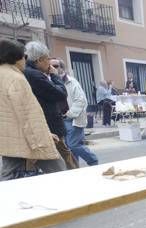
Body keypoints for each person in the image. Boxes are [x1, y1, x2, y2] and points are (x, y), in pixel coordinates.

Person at [0, 39, 65, 180]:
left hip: (8, 139)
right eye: (25, 56)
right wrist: (45, 136)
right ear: (16, 57)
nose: (26, 60)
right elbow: (28, 114)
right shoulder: (16, 78)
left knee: (8, 176)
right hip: (30, 139)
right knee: (60, 172)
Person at [24, 41, 77, 170]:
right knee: (65, 159)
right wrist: (54, 75)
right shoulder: (34, 75)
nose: (50, 64)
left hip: (44, 125)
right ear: (40, 59)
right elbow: (61, 93)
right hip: (50, 126)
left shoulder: (31, 73)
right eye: (48, 59)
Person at [51, 58, 98, 166]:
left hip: (73, 118)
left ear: (62, 68)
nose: (52, 68)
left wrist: (70, 114)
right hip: (60, 119)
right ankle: (75, 167)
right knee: (68, 147)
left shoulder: (71, 82)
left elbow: (81, 100)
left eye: (56, 66)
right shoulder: (51, 82)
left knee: (73, 144)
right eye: (50, 66)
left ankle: (93, 160)